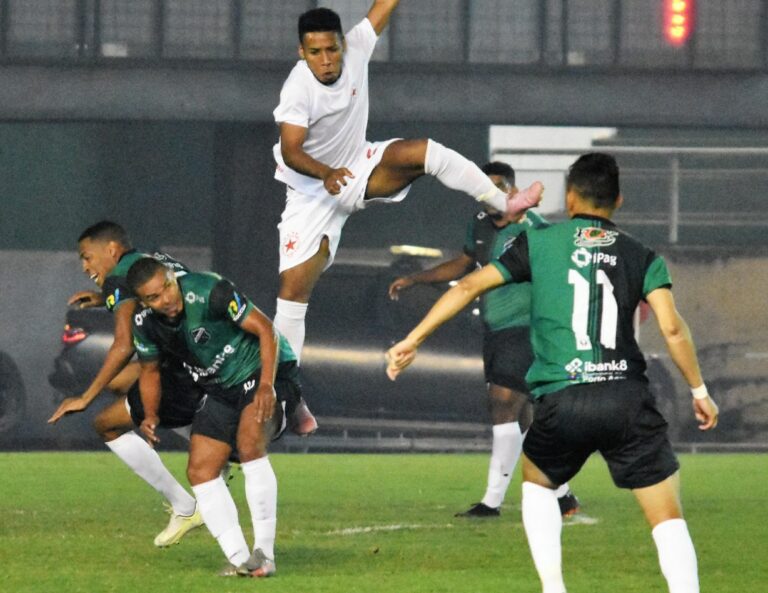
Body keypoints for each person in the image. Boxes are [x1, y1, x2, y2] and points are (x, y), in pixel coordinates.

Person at [386, 153, 719, 593]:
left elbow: (467, 285)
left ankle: (554, 588)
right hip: (626, 397)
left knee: (539, 485)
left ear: (570, 195)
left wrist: (414, 338)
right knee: (666, 515)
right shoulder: (643, 255)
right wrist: (698, 390)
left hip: (564, 398)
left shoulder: (540, 244)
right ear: (618, 199)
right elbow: (672, 328)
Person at [271, 2, 543, 364]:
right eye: (315, 53)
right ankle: (286, 390)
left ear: (343, 45)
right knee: (293, 294)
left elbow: (382, 8)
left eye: (332, 50)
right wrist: (325, 173)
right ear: (302, 53)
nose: (326, 60)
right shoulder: (297, 88)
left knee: (425, 152)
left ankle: (504, 203)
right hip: (312, 192)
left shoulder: (357, 47)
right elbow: (291, 151)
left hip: (360, 168)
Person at [388, 162, 579, 519]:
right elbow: (463, 266)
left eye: (496, 186)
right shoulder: (479, 225)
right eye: (482, 187)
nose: (489, 193)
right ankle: (564, 493)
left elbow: (558, 262)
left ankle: (492, 502)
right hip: (495, 330)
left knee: (501, 403)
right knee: (523, 417)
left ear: (511, 190)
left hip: (525, 328)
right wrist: (417, 278)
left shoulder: (530, 226)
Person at [127, 257, 301, 578]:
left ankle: (265, 555)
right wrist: (150, 415)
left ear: (172, 277)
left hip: (259, 372)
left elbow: (265, 329)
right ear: (142, 302)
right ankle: (240, 560)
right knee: (200, 470)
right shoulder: (144, 324)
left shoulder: (208, 290)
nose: (165, 298)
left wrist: (266, 385)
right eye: (153, 297)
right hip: (220, 387)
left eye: (167, 286)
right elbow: (149, 370)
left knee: (249, 445)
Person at [47, 221, 205, 547]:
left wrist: (83, 397)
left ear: (111, 250)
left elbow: (123, 344)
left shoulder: (120, 277)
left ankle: (185, 504)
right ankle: (212, 437)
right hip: (206, 354)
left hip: (187, 368)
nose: (85, 266)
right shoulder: (149, 261)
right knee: (119, 383)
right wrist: (103, 298)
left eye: (87, 257)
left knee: (105, 424)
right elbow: (149, 303)